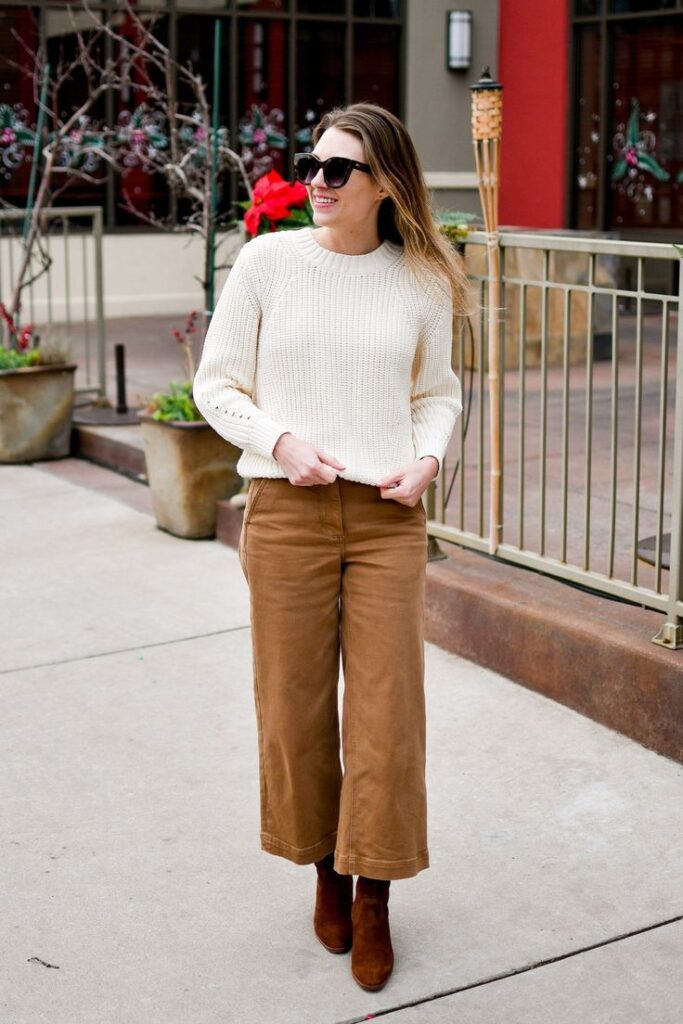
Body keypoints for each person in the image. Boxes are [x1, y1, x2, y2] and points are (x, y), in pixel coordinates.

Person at [192, 101, 470, 993]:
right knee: (294, 710)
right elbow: (215, 383)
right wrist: (280, 445)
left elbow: (438, 392)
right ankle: (324, 869)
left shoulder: (422, 279)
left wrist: (428, 456)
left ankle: (376, 892)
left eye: (338, 169)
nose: (316, 181)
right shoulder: (269, 263)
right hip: (288, 513)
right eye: (312, 165)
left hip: (388, 517)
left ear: (384, 183)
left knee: (389, 716)